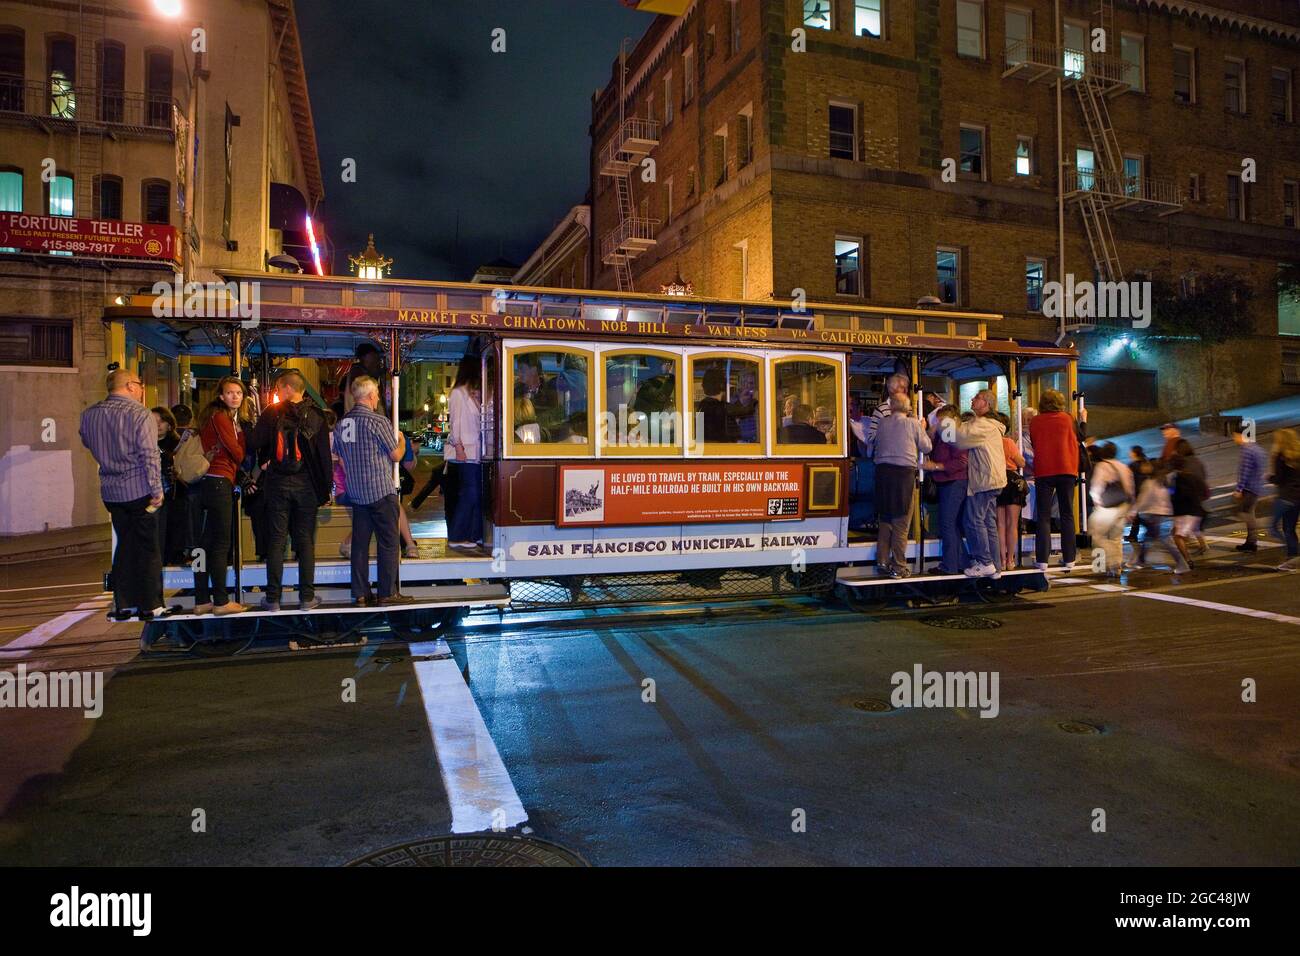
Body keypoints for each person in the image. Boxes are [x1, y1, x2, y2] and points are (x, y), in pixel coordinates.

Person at [79, 368, 166, 620]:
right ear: (129, 385)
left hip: (111, 492)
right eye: (139, 384)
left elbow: (86, 441)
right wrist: (157, 490)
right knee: (148, 548)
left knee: (125, 545)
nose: (141, 390)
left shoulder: (89, 415)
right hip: (139, 490)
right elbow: (149, 455)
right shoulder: (140, 414)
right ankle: (151, 604)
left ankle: (123, 603)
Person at [247, 370, 332, 611]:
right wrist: (325, 490)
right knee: (305, 540)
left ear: (286, 388)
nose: (276, 393)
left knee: (276, 541)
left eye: (277, 389)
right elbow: (324, 456)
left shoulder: (272, 413)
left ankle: (273, 599)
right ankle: (307, 598)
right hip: (306, 487)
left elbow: (253, 443)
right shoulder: (317, 415)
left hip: (277, 485)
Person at [335, 375, 413, 606]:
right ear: (370, 395)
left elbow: (339, 458)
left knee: (360, 544)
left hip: (357, 493)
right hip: (380, 490)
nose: (378, 397)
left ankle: (360, 593)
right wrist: (400, 440)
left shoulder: (343, 423)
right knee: (388, 542)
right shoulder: (378, 421)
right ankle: (387, 593)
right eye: (377, 393)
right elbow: (396, 455)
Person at [193, 376, 247, 615]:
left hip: (206, 483)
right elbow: (237, 453)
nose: (235, 396)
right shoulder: (221, 417)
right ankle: (221, 601)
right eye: (230, 392)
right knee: (220, 544)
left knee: (204, 544)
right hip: (219, 481)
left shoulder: (211, 417)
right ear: (220, 396)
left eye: (238, 392)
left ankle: (202, 599)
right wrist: (240, 440)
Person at [871, 394, 931, 577]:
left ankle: (882, 560)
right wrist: (922, 428)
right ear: (908, 407)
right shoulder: (912, 423)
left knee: (885, 520)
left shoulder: (883, 423)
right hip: (902, 476)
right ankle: (899, 566)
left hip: (882, 474)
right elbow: (927, 447)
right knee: (901, 522)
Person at [956, 389, 1008, 578]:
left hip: (985, 480)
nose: (972, 399)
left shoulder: (983, 424)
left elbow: (959, 439)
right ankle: (995, 566)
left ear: (986, 403)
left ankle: (985, 562)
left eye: (976, 398)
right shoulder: (991, 424)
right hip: (995, 479)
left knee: (972, 520)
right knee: (988, 523)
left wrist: (943, 423)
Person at [1029, 389, 1080, 571]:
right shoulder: (1068, 419)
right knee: (1067, 514)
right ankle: (1069, 559)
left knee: (1043, 516)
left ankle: (1042, 560)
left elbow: (1034, 443)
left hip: (1044, 470)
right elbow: (1080, 437)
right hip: (1067, 469)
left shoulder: (1035, 421)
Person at [445, 355, 484, 551]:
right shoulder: (459, 394)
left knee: (474, 493)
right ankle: (457, 534)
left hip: (474, 451)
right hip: (466, 451)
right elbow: (456, 423)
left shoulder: (470, 393)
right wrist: (459, 447)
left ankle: (472, 534)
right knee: (471, 493)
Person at [926, 404, 968, 574]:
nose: (939, 423)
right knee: (952, 525)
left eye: (942, 420)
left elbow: (961, 461)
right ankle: (960, 563)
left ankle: (949, 566)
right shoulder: (944, 435)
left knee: (948, 524)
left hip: (954, 482)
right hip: (948, 482)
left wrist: (936, 466)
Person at [1131, 459, 1190, 573]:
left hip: (1155, 515)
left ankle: (1182, 565)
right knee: (1148, 538)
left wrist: (1133, 511)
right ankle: (1140, 561)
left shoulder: (1151, 482)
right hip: (1164, 514)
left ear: (1152, 468)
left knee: (1164, 541)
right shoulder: (1164, 480)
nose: (1144, 467)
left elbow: (1143, 500)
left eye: (1146, 465)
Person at [1088, 442, 1135, 577]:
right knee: (1116, 537)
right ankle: (1116, 569)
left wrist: (1096, 501)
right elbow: (1130, 489)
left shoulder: (1102, 466)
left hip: (1107, 506)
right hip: (1123, 505)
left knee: (1096, 535)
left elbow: (1097, 486)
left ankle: (1108, 563)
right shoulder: (1124, 467)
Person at [995, 412, 1027, 571]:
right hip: (1012, 482)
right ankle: (1010, 560)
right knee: (1012, 524)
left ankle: (1000, 560)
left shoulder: (992, 442)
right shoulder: (1008, 442)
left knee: (999, 524)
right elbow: (1021, 462)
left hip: (997, 481)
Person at [1232, 423, 1269, 553]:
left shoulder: (1247, 450)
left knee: (1244, 513)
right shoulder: (1257, 448)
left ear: (1242, 436)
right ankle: (1251, 541)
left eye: (1235, 436)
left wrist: (1239, 489)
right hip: (1257, 486)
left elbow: (1245, 471)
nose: (1234, 439)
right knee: (1249, 513)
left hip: (1250, 488)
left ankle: (1252, 541)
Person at [1267, 428, 1300, 571]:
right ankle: (1293, 558)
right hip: (1298, 498)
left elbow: (1279, 479)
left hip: (1286, 497)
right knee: (1289, 529)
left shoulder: (1280, 456)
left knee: (1274, 528)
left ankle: (1292, 556)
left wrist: (1269, 477)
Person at [1170, 438, 1208, 558]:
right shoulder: (1197, 461)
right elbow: (1204, 476)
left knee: (1179, 532)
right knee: (1195, 523)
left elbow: (1177, 489)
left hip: (1188, 500)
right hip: (1198, 496)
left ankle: (1185, 557)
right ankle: (1203, 545)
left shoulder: (1183, 464)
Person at [151, 405, 180, 564]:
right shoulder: (145, 444)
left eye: (161, 421)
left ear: (169, 424)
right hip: (152, 496)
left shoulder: (178, 444)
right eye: (153, 421)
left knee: (171, 531)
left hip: (174, 495)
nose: (158, 425)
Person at [697, 367, 756, 443]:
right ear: (722, 385)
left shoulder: (702, 405)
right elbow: (741, 411)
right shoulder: (721, 407)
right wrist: (757, 399)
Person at [864, 372, 910, 458]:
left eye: (906, 388)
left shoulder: (910, 410)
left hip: (907, 459)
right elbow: (871, 438)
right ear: (891, 390)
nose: (906, 391)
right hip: (887, 458)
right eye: (902, 388)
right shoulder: (881, 410)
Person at [342, 342, 387, 415]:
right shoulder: (358, 373)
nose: (376, 361)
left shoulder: (363, 372)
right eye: (373, 357)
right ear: (364, 357)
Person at [1124, 445, 1149, 543]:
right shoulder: (1146, 462)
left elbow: (1129, 480)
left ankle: (1133, 535)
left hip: (1137, 492)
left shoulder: (1132, 465)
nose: (1129, 453)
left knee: (1137, 515)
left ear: (1134, 453)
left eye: (1130, 451)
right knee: (1140, 515)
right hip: (1147, 491)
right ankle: (1133, 535)